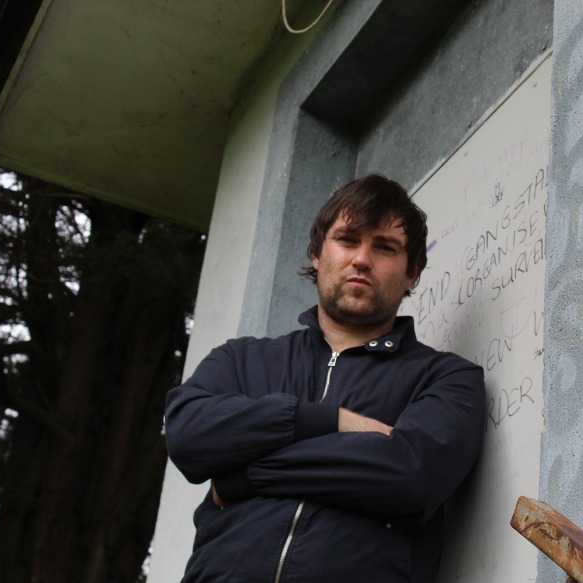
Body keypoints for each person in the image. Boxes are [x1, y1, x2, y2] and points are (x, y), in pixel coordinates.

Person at [165, 174, 485, 582]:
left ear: (413, 272)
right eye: (348, 240)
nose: (362, 259)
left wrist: (244, 476)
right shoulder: (242, 359)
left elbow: (410, 476)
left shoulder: (446, 379)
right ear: (317, 253)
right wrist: (329, 420)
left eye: (384, 247)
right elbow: (186, 433)